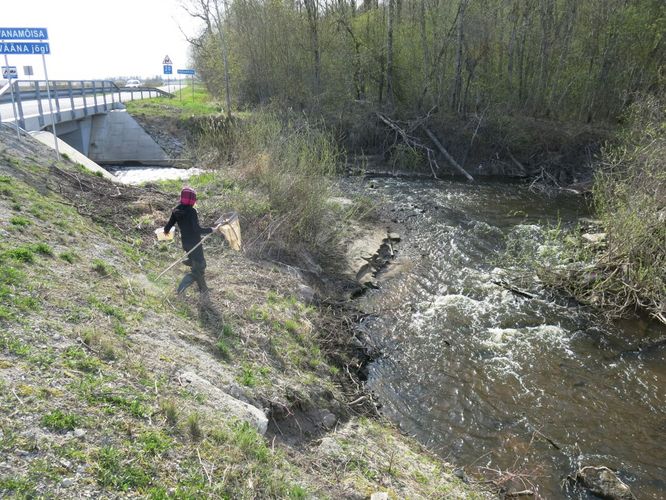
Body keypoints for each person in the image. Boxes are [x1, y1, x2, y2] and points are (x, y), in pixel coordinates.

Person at [164, 187, 217, 294]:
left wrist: (166, 231)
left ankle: (203, 289)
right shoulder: (192, 211)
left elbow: (167, 227)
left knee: (197, 266)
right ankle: (181, 288)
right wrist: (211, 229)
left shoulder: (176, 210)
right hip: (195, 244)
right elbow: (197, 229)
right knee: (200, 267)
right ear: (193, 200)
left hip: (186, 243)